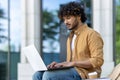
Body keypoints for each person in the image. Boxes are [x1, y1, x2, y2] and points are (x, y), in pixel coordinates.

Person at [33, 1, 104, 80]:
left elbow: (98, 61)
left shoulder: (92, 34)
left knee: (49, 75)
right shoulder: (71, 37)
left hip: (85, 73)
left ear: (79, 16)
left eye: (68, 18)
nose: (65, 22)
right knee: (37, 74)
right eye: (64, 19)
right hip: (72, 71)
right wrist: (59, 65)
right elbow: (69, 63)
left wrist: (73, 63)